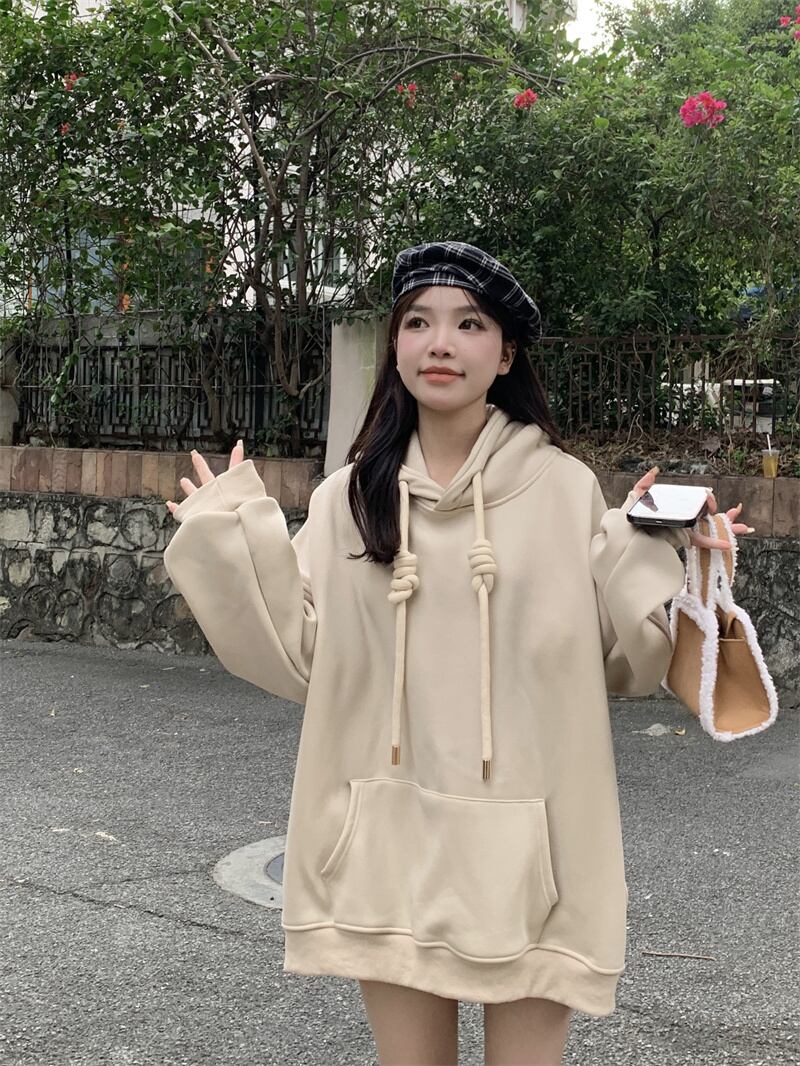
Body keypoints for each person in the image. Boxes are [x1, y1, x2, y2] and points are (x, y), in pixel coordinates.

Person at [164, 241, 750, 1065]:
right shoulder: (348, 499)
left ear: (505, 354)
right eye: (418, 322)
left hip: (538, 854)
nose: (440, 343)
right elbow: (300, 657)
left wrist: (663, 557)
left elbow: (625, 662)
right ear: (396, 344)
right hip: (389, 845)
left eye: (470, 324)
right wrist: (229, 544)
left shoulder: (565, 490)